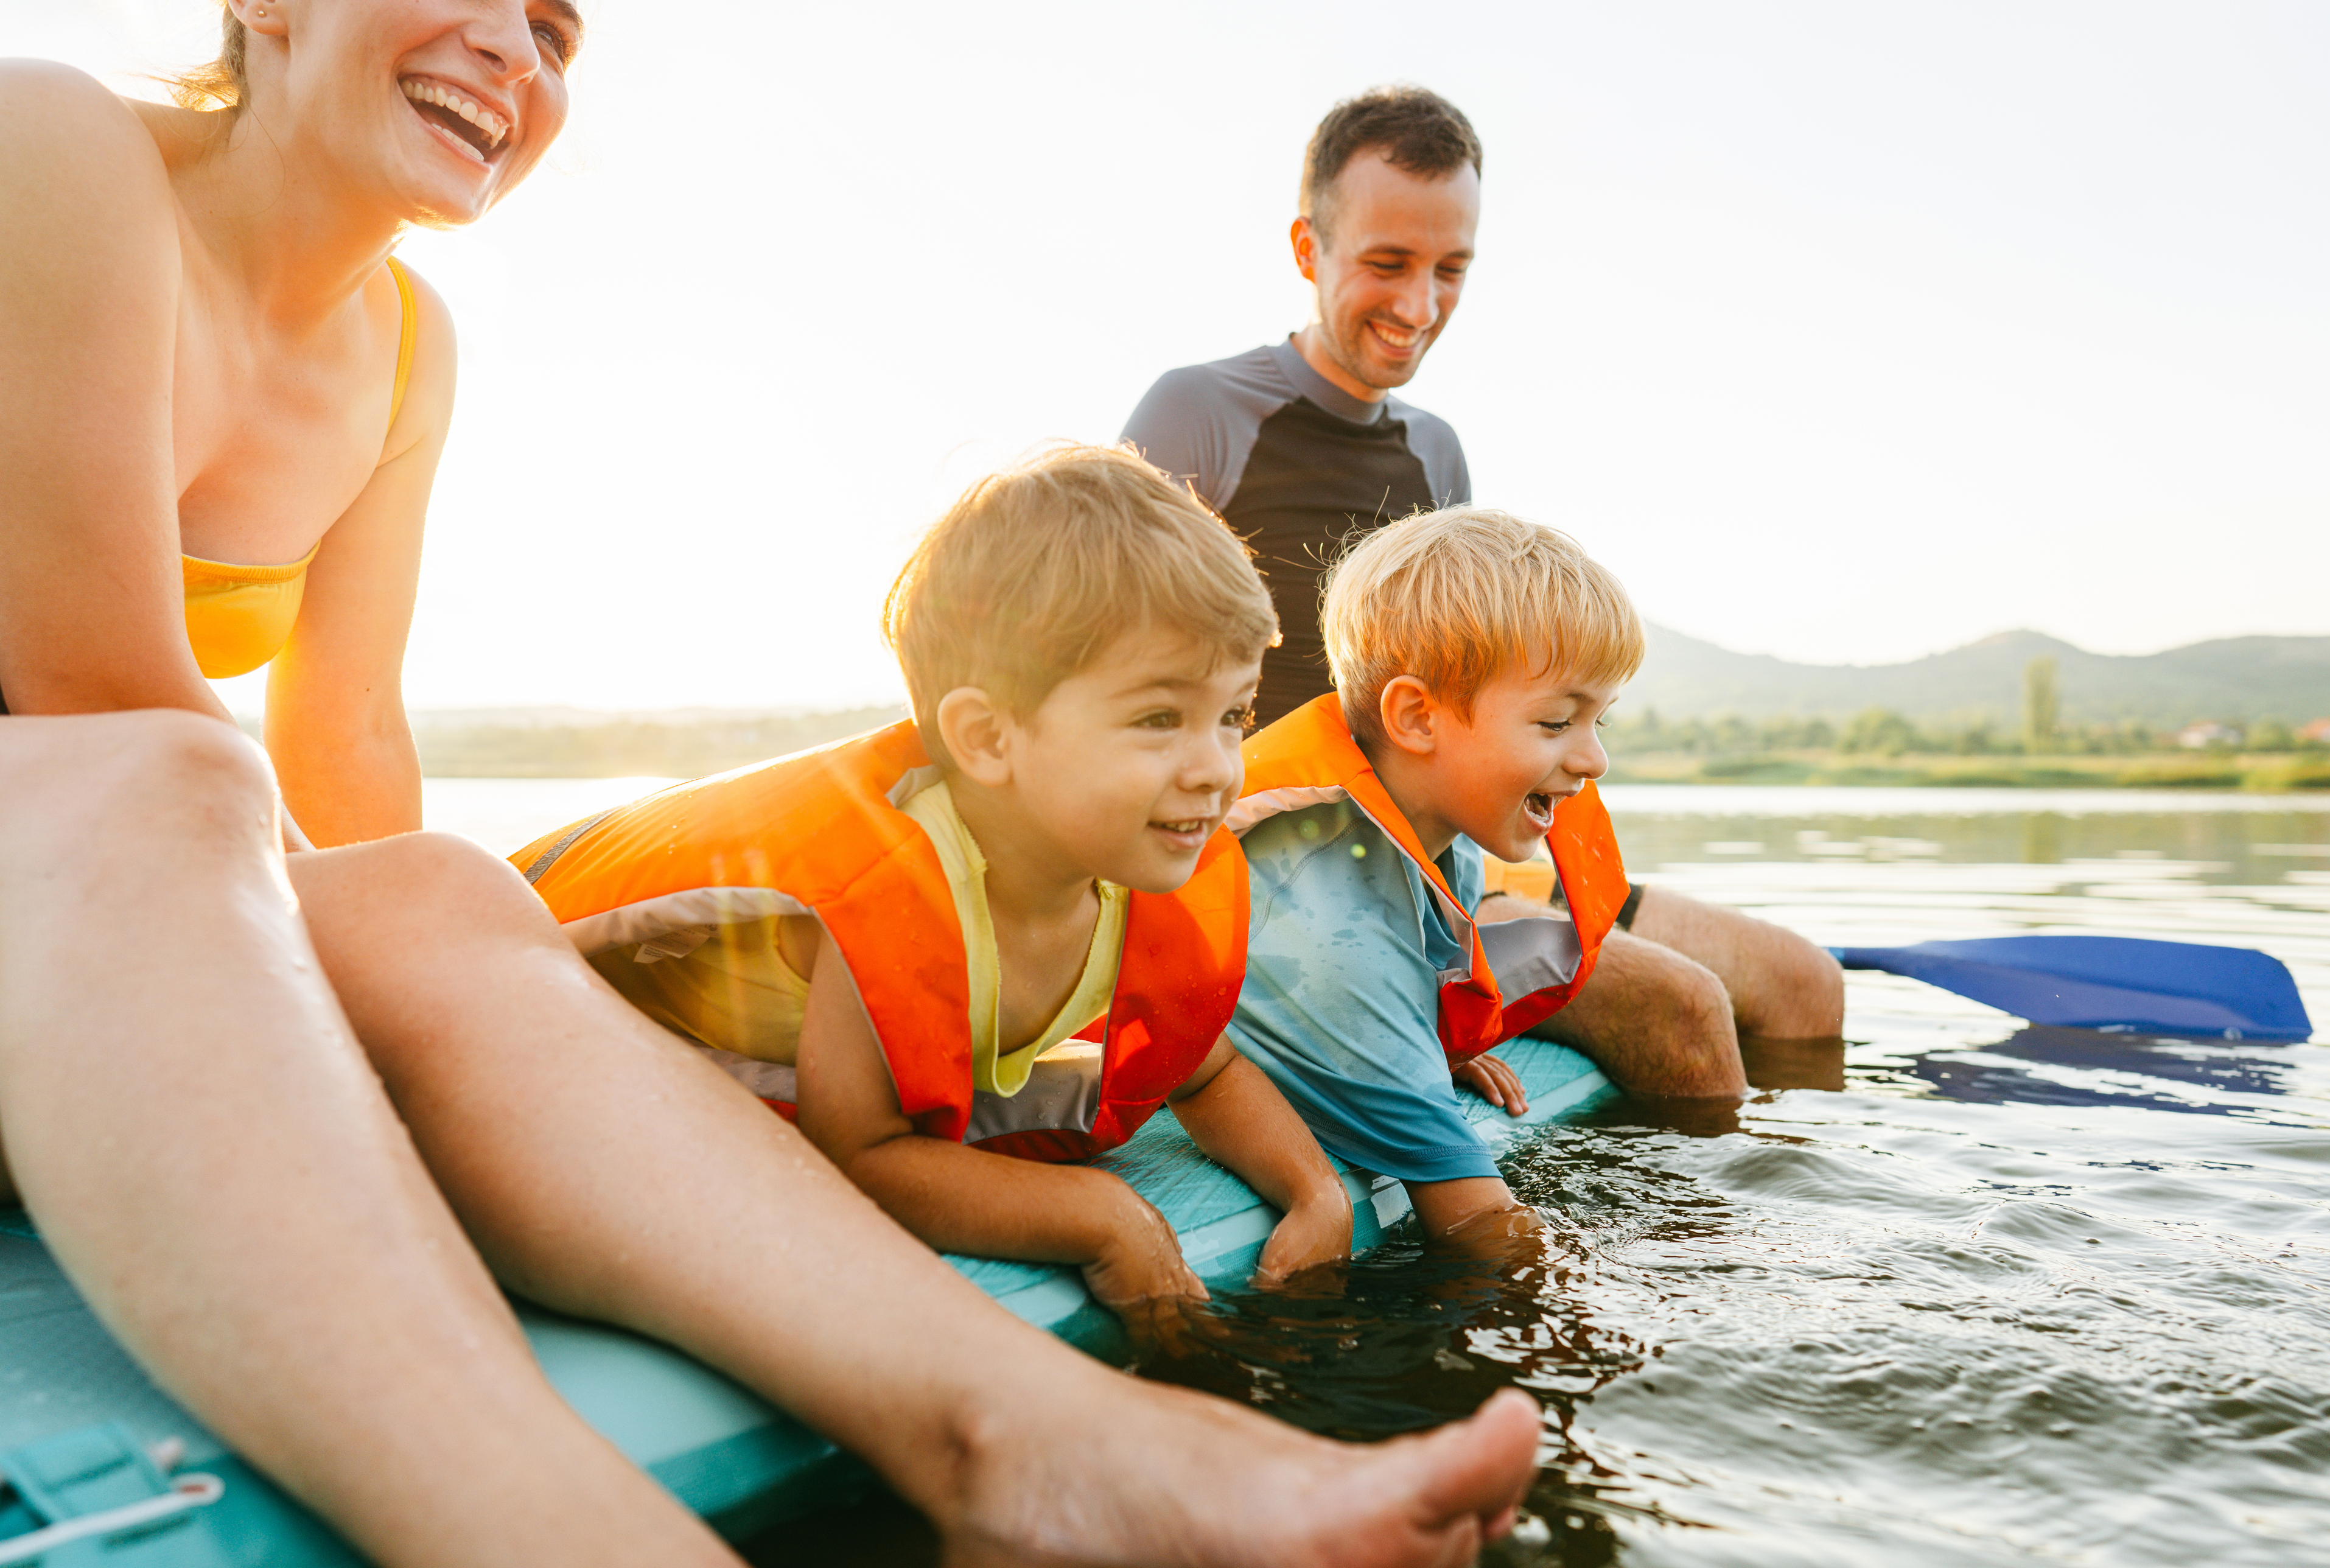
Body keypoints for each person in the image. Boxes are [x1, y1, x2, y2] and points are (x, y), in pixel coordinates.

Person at [0, 12, 1542, 1563]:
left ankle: (1023, 1439)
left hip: (75, 933)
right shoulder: (56, 139)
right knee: (181, 773)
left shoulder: (405, 346)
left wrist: (443, 995)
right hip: (81, 867)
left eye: (555, 28)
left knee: (439, 882)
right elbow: (90, 680)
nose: (516, 50)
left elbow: (342, 742)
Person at [514, 448, 1357, 1321]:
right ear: (988, 739)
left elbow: (1204, 1073)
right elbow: (865, 1153)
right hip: (573, 1014)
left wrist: (1314, 1190)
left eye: (1234, 714)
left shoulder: (1129, 874)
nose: (1217, 768)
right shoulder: (899, 894)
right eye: (1158, 717)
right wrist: (1103, 1217)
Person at [1121, 85, 1844, 1065]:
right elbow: (1105, 668)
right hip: (1285, 872)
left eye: (1451, 269)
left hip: (1442, 861)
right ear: (1307, 250)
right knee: (1683, 1009)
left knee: (1806, 983)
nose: (1420, 307)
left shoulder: (1437, 453)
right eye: (1388, 264)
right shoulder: (1199, 414)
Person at [1223, 508, 1735, 1242]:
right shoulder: (1331, 927)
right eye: (1556, 722)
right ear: (1417, 717)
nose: (1594, 759)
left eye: (1599, 721)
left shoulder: (1443, 837)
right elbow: (1475, 1219)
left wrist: (1429, 1044)